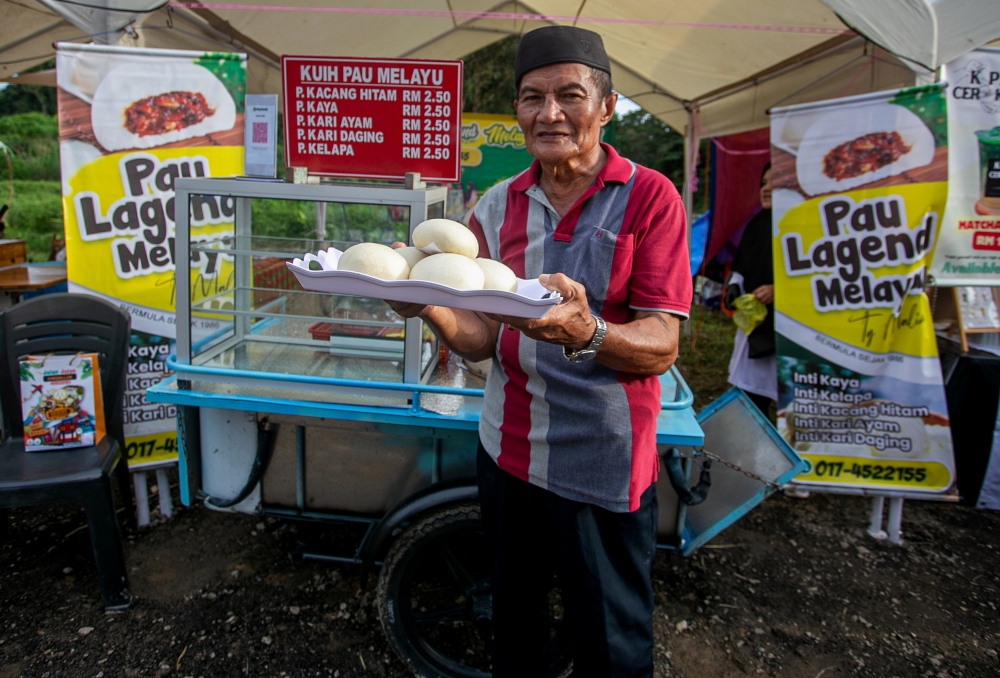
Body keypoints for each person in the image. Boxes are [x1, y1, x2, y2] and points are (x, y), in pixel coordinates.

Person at [389, 25, 691, 677]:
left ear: (606, 108)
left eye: (569, 95)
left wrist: (591, 333)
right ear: (518, 111)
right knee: (515, 627)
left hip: (601, 461)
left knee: (609, 642)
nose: (549, 113)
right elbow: (481, 339)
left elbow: (662, 346)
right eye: (531, 97)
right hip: (508, 451)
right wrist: (427, 305)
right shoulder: (495, 208)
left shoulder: (650, 198)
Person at [724, 163, 777, 417]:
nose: (766, 189)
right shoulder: (757, 224)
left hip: (781, 330)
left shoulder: (800, 227)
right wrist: (734, 286)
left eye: (773, 182)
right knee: (750, 395)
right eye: (763, 183)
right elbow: (742, 265)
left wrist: (779, 291)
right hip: (753, 326)